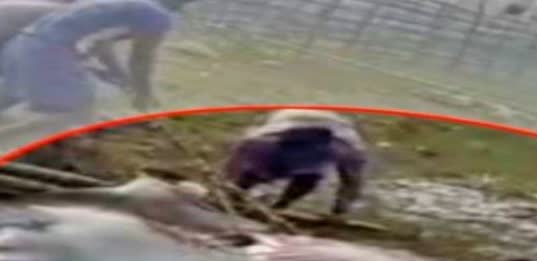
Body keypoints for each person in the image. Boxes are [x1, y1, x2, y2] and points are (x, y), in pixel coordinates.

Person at [0, 0, 196, 128]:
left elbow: (101, 45)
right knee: (73, 110)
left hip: (21, 42)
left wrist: (121, 77)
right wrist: (143, 94)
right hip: (42, 46)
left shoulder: (127, 5)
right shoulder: (157, 15)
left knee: (16, 97)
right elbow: (141, 59)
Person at [223, 109, 369, 217]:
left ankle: (274, 205)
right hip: (283, 134)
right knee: (305, 175)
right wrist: (339, 212)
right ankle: (268, 203)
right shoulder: (348, 148)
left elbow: (352, 183)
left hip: (285, 134)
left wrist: (338, 212)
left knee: (305, 175)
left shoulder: (348, 147)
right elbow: (351, 184)